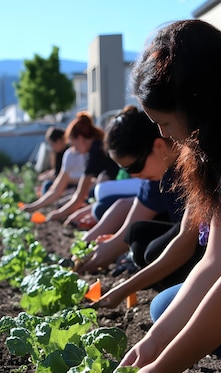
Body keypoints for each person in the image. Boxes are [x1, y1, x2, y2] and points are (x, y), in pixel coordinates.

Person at [116, 19, 221, 373]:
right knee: (166, 309)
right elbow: (214, 261)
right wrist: (151, 347)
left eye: (164, 123)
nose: (166, 135)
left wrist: (165, 371)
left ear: (198, 102)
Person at [77, 105, 203, 276]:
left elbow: (187, 240)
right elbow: (130, 223)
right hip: (188, 240)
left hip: (205, 248)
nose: (134, 175)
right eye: (127, 170)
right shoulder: (156, 175)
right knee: (138, 236)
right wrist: (91, 248)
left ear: (158, 145)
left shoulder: (194, 166)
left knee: (150, 253)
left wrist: (124, 289)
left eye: (135, 166)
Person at [45, 111, 120, 222]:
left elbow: (80, 196)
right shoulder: (98, 146)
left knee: (98, 201)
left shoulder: (96, 153)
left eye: (73, 144)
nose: (74, 149)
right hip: (120, 186)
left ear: (80, 138)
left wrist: (58, 215)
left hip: (122, 187)